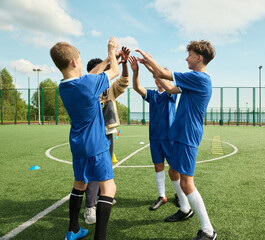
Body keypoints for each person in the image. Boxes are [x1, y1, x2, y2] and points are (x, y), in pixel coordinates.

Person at [136, 40, 217, 240]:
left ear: (199, 57)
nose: (186, 58)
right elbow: (171, 89)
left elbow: (165, 75)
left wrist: (150, 61)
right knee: (173, 172)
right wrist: (152, 70)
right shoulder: (193, 80)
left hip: (188, 136)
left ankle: (208, 230)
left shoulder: (200, 78)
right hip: (179, 134)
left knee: (187, 183)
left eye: (189, 55)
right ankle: (184, 208)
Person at [50, 37, 119, 240]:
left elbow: (91, 76)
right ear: (74, 62)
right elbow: (114, 72)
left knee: (79, 184)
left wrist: (107, 59)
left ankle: (73, 230)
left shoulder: (64, 86)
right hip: (96, 146)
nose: (81, 63)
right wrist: (112, 52)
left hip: (78, 146)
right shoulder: (87, 83)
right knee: (109, 188)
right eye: (80, 60)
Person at [128, 56, 182, 211]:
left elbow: (164, 80)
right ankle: (162, 196)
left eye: (160, 76)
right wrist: (136, 71)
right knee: (158, 166)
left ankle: (178, 194)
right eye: (156, 78)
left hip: (169, 138)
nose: (158, 80)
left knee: (173, 168)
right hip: (155, 137)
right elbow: (137, 87)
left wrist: (153, 69)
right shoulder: (152, 95)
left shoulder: (171, 93)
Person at [83, 47, 130, 225]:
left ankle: (103, 196)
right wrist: (109, 58)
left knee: (105, 167)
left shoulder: (108, 88)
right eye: (101, 71)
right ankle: (90, 207)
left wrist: (123, 63)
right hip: (92, 135)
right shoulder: (84, 88)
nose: (105, 74)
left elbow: (124, 81)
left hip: (108, 132)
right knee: (93, 172)